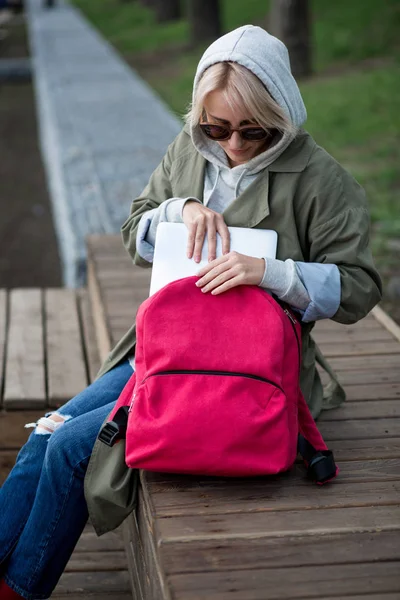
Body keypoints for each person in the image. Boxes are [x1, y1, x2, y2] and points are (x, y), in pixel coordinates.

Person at [0, 25, 381, 600]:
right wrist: (178, 209)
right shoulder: (189, 150)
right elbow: (136, 228)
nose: (231, 144)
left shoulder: (321, 182)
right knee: (45, 437)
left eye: (252, 131)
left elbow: (360, 287)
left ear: (281, 113)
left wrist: (274, 274)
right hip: (166, 346)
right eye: (215, 127)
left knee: (75, 447)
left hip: (249, 368)